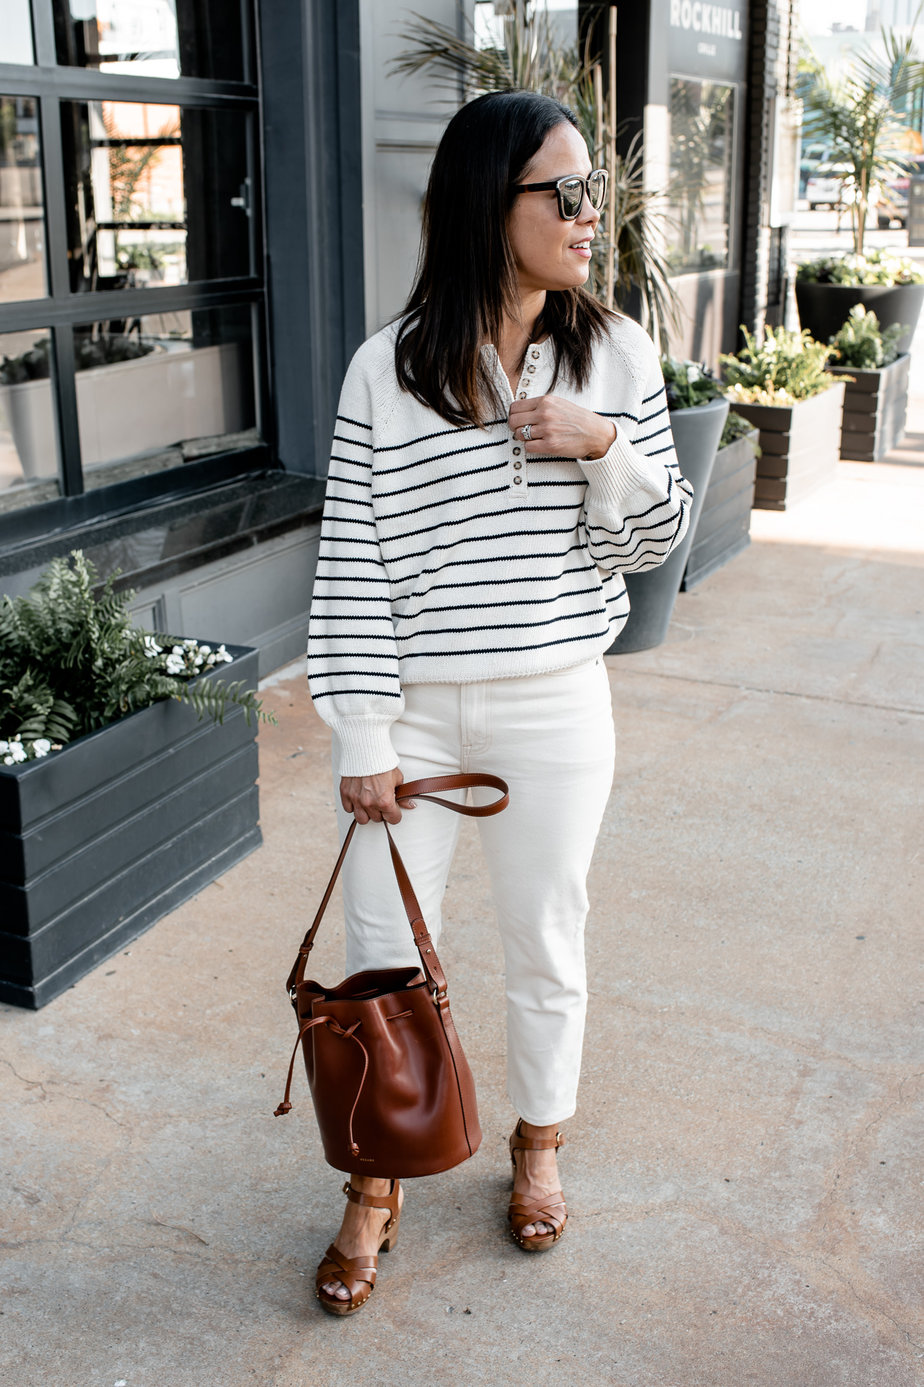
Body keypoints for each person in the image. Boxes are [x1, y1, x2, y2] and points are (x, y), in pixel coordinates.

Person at [306, 88, 692, 1316]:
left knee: (546, 937)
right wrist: (364, 733)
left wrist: (602, 446)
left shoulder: (617, 354)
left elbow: (657, 541)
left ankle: (538, 1141)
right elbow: (353, 562)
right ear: (491, 200)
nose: (589, 216)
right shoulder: (387, 369)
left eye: (594, 194)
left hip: (556, 701)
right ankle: (376, 1178)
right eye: (565, 193)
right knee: (378, 955)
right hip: (414, 713)